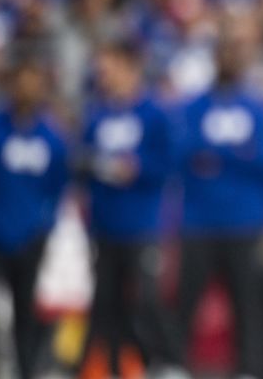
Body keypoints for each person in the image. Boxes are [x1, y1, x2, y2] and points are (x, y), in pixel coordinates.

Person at [174, 32, 263, 377]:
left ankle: (249, 370)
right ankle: (176, 366)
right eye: (223, 53)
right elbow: (183, 154)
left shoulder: (256, 107)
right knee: (186, 301)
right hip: (199, 222)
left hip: (245, 222)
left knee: (247, 304)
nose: (228, 60)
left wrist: (217, 156)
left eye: (235, 53)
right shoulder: (194, 106)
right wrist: (239, 154)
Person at [0, 57, 70, 379]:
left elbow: (58, 186)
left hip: (29, 240)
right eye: (22, 79)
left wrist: (45, 224)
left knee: (27, 317)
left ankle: (27, 371)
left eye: (34, 79)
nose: (27, 87)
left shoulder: (53, 139)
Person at [79, 41, 178, 375]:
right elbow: (83, 161)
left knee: (145, 300)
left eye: (110, 69)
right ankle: (115, 367)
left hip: (142, 224)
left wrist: (137, 167)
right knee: (107, 303)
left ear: (130, 68)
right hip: (106, 225)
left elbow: (168, 164)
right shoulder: (97, 115)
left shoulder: (154, 113)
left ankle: (164, 362)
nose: (104, 76)